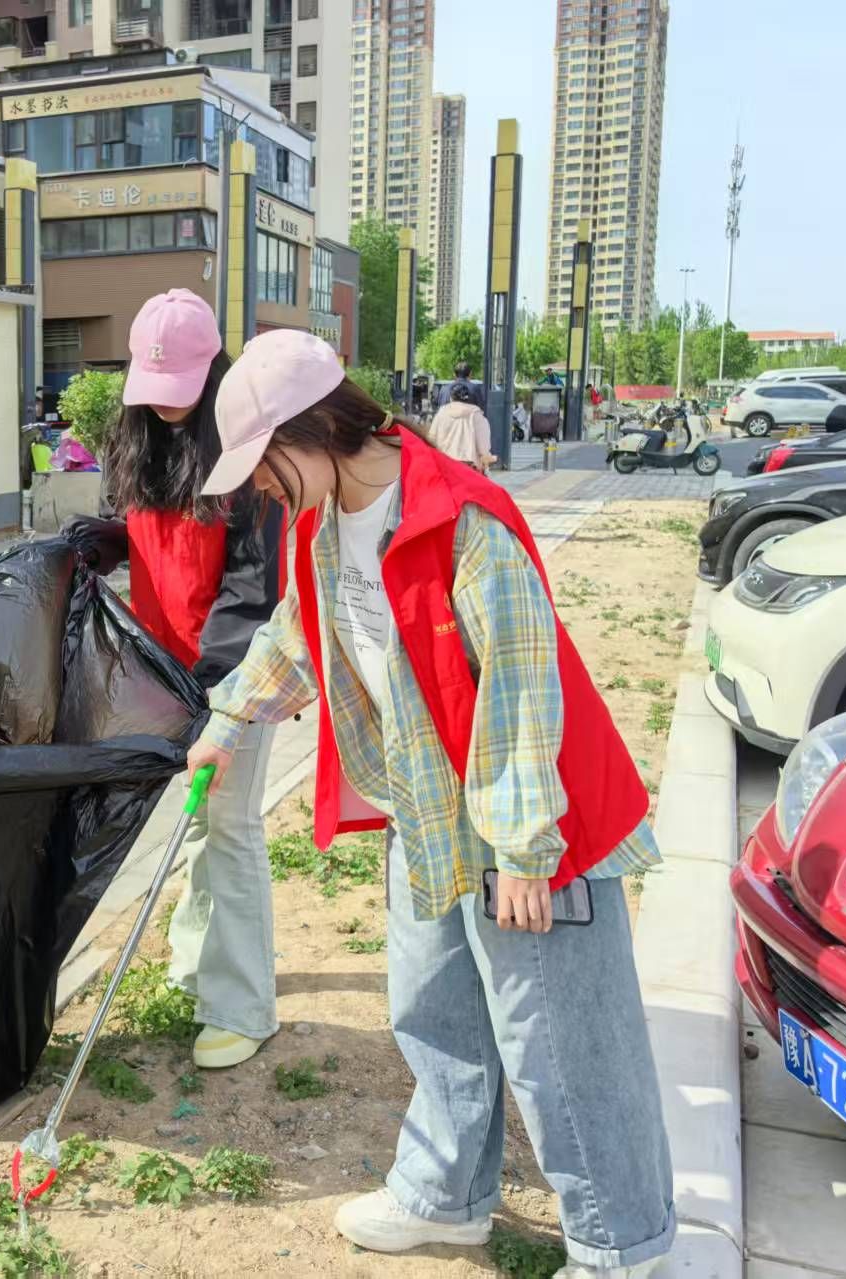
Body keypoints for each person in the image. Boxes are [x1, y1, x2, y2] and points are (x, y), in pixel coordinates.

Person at [186, 329, 675, 1278]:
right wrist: (228, 717)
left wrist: (524, 849)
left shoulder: (463, 517)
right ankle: (444, 1195)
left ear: (310, 430)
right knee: (433, 1007)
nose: (263, 491)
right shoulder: (322, 529)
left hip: (528, 817)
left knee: (562, 1043)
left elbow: (521, 685)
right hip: (428, 810)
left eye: (265, 466)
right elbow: (297, 634)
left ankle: (624, 1248)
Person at [64, 290, 285, 1070]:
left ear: (213, 372)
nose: (162, 406)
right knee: (198, 823)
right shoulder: (134, 441)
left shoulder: (245, 454)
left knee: (230, 828)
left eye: (178, 390)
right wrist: (93, 544)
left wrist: (212, 689)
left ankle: (243, 1004)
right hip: (162, 671)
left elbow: (253, 586)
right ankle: (198, 968)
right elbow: (134, 531)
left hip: (232, 674)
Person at [426, 379, 497, 472]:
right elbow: (483, 446)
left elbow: (431, 438)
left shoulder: (442, 413)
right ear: (468, 399)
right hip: (469, 467)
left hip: (444, 464)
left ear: (451, 398)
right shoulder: (476, 415)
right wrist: (487, 457)